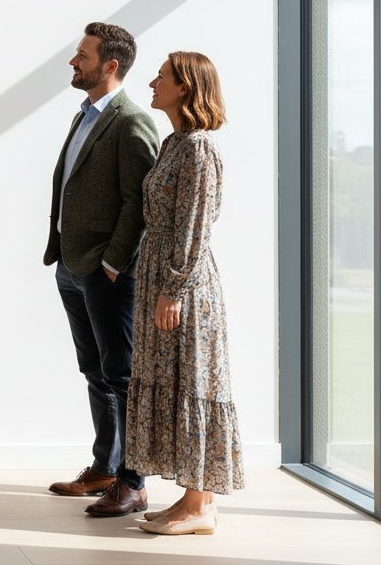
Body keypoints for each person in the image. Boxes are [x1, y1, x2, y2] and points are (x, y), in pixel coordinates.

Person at [44, 22, 159, 517]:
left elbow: (140, 201)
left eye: (82, 55)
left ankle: (133, 482)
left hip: (104, 270)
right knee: (95, 371)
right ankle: (105, 468)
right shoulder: (85, 115)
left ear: (109, 65)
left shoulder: (131, 121)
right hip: (71, 264)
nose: (74, 61)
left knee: (122, 374)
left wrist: (114, 261)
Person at [127, 51, 243, 536]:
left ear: (186, 88)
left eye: (163, 77)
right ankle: (191, 500)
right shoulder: (174, 142)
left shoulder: (198, 148)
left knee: (192, 379)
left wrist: (174, 287)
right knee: (171, 379)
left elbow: (195, 227)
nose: (153, 82)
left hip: (184, 284)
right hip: (161, 273)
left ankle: (201, 506)